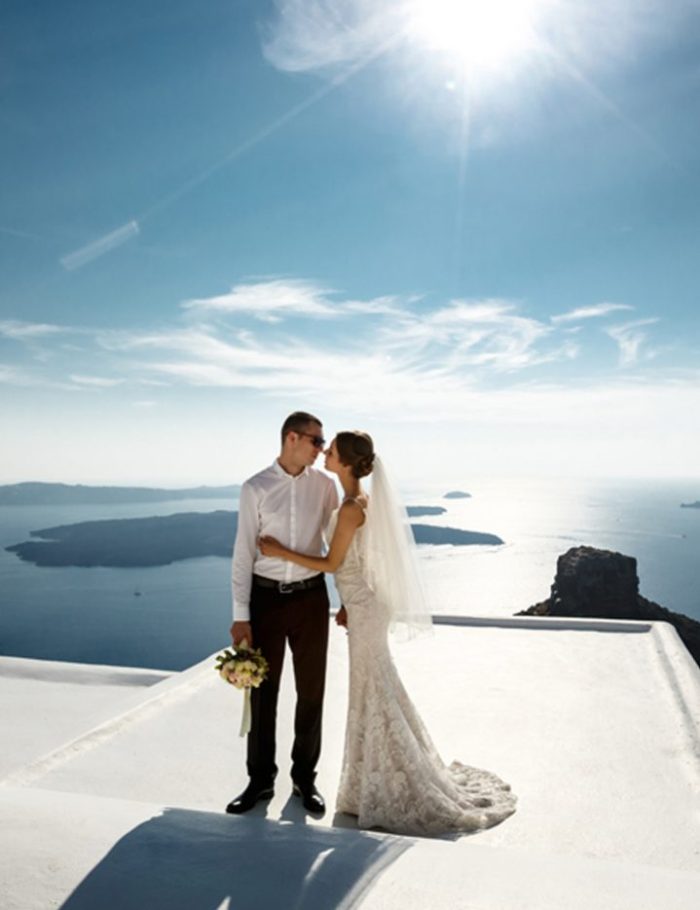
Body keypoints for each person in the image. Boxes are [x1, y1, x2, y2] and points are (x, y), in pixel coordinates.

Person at [259, 431, 517, 836]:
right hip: (363, 604)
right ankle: (371, 779)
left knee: (372, 688)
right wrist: (349, 601)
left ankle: (387, 781)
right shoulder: (360, 500)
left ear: (346, 462)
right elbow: (363, 559)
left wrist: (280, 552)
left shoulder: (350, 507)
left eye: (332, 450)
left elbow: (332, 563)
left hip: (366, 609)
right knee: (374, 687)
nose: (325, 453)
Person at [226, 411, 338, 816]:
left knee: (311, 691)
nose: (321, 449)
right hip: (265, 601)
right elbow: (243, 552)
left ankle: (304, 779)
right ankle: (260, 780)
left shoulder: (325, 486)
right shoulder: (255, 487)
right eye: (316, 441)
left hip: (311, 600)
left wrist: (345, 601)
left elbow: (337, 548)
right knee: (262, 692)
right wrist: (241, 615)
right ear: (292, 438)